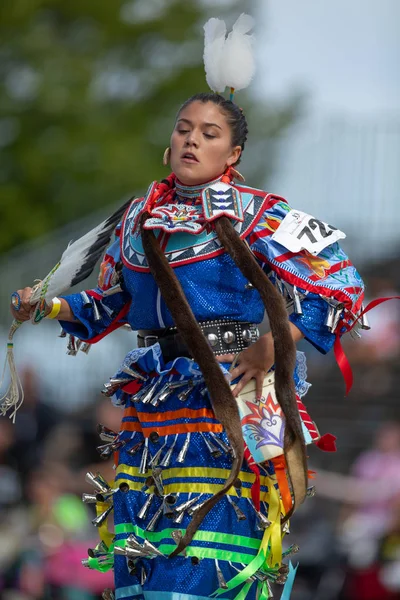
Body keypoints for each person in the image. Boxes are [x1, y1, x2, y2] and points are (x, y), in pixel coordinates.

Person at [9, 15, 365, 600]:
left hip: (227, 395)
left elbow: (340, 285)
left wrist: (275, 341)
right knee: (146, 553)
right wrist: (46, 308)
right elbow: (110, 304)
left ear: (234, 151)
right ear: (168, 140)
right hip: (155, 401)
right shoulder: (135, 220)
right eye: (182, 129)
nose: (192, 140)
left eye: (208, 132)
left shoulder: (258, 214)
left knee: (208, 553)